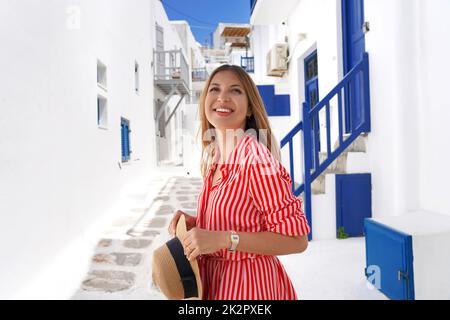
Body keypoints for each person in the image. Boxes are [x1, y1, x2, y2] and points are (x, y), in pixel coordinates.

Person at [168, 64, 310, 300]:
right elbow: (242, 217)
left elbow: (296, 240)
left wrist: (223, 238)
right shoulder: (217, 155)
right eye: (214, 89)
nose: (222, 97)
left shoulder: (255, 160)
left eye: (235, 90)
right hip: (218, 286)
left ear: (249, 109)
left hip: (250, 290)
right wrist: (200, 224)